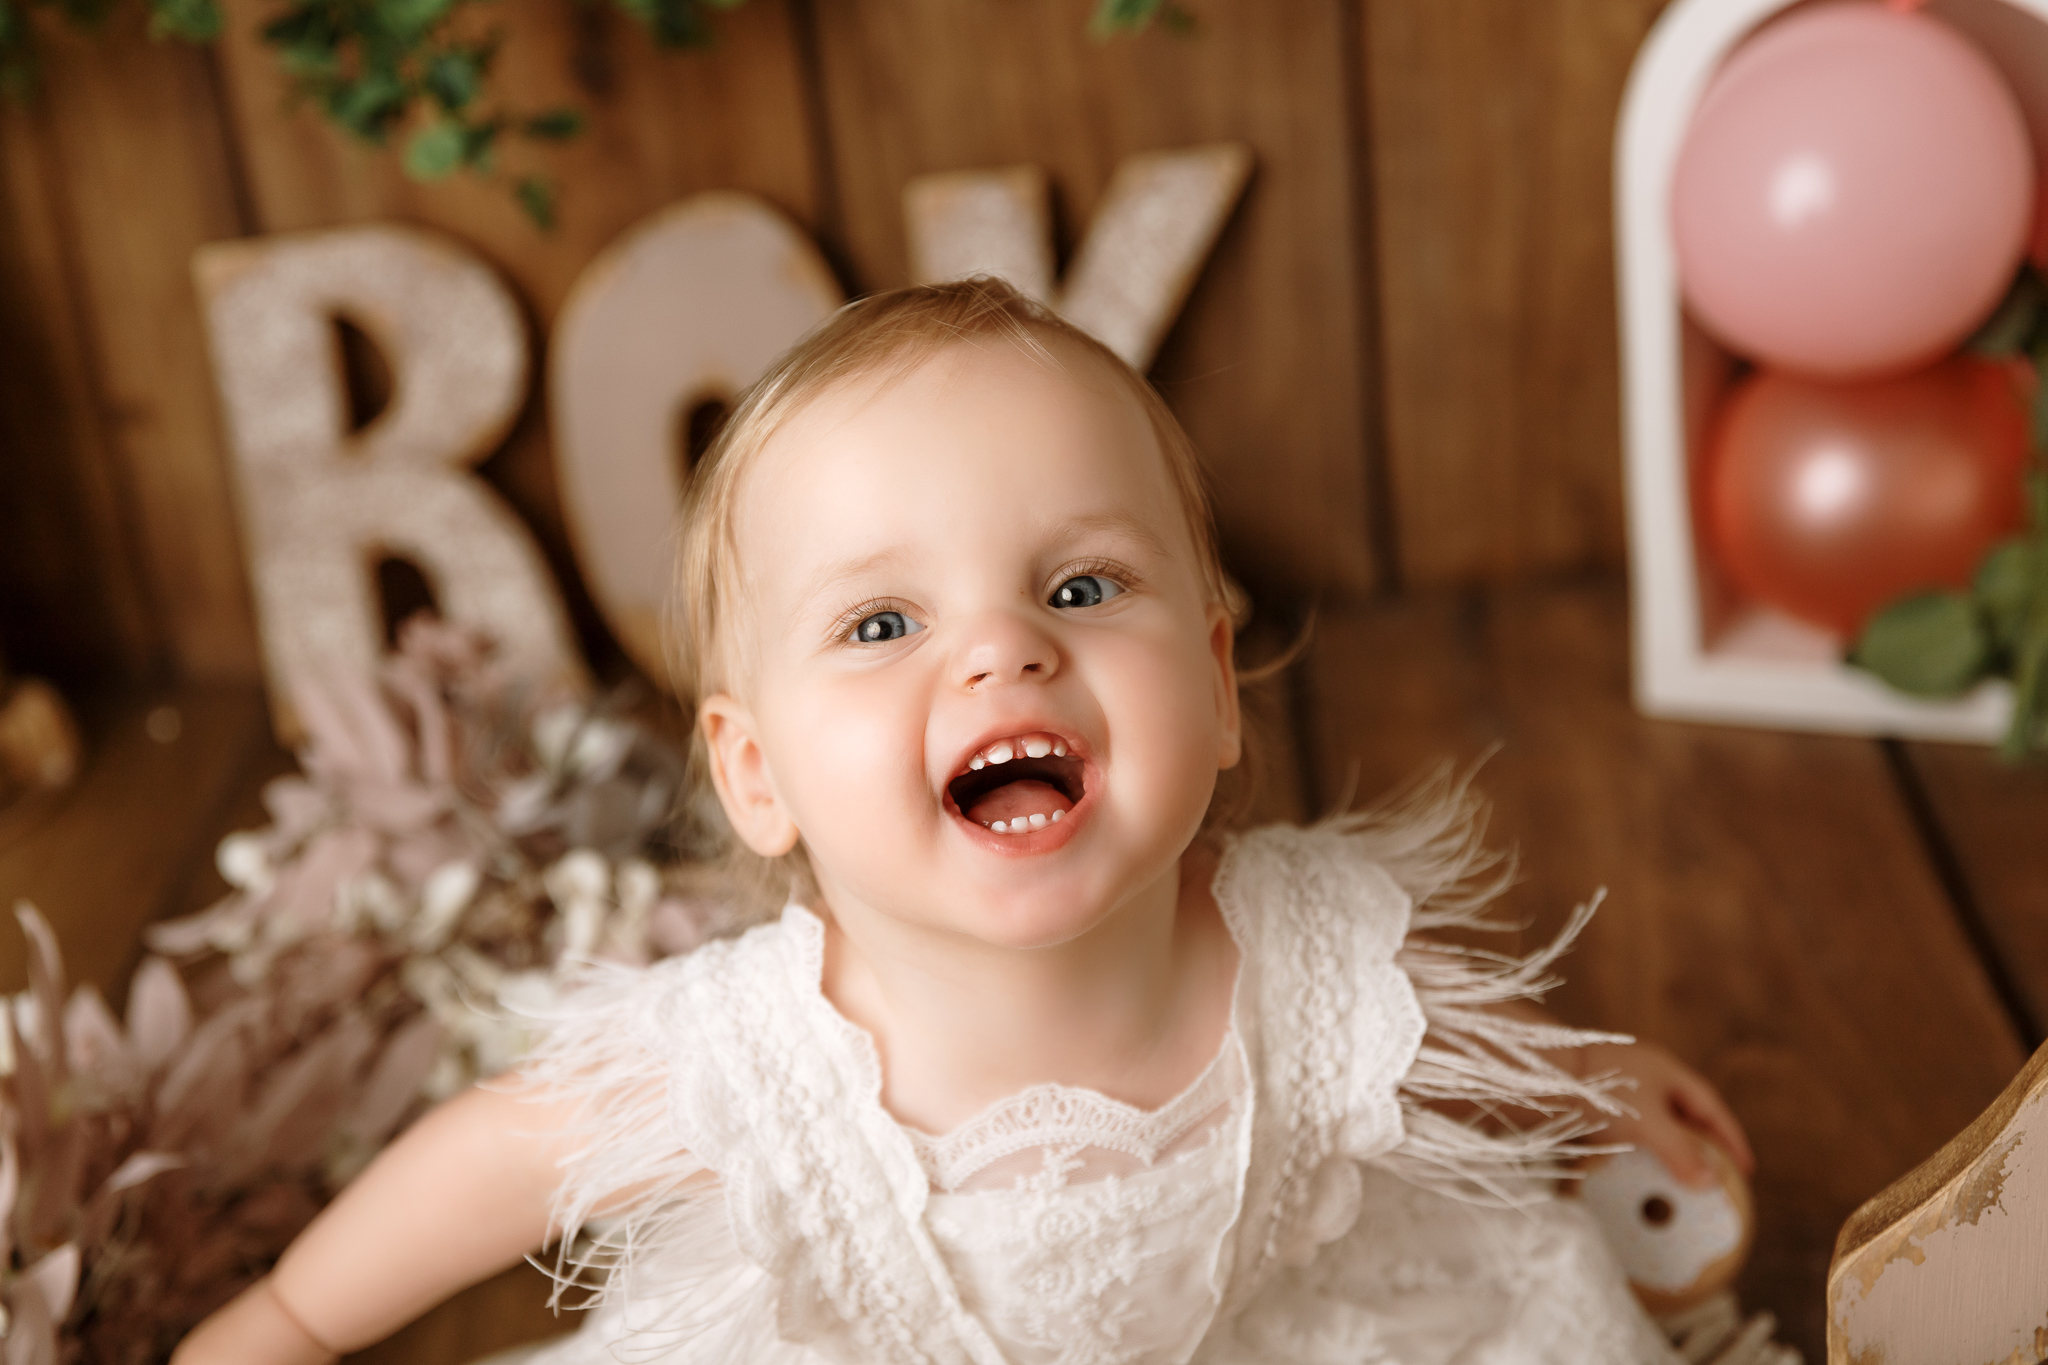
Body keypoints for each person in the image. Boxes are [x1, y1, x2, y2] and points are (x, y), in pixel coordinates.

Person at [174, 278, 1754, 1365]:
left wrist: (1588, 1079)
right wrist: (289, 1322)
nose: (1004, 649)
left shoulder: (1290, 949)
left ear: (1216, 687)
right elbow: (492, 1159)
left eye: (1081, 585)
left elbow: (1435, 1039)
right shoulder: (757, 1059)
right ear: (756, 774)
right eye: (881, 623)